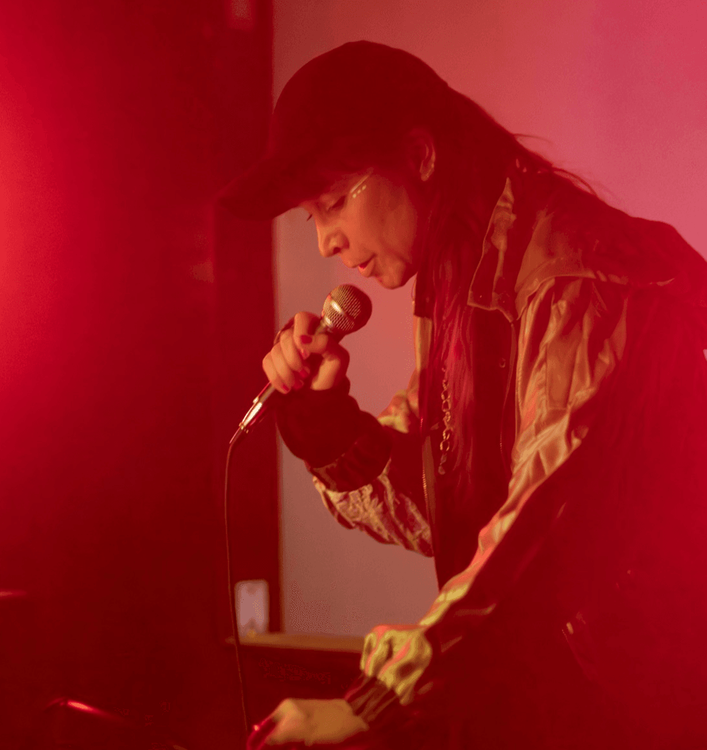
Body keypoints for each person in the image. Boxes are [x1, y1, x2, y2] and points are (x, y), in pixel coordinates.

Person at [220, 41, 707, 749]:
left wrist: (378, 702)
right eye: (310, 217)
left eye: (333, 202)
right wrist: (327, 425)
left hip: (648, 707)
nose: (325, 241)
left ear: (419, 156)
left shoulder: (573, 274)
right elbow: (452, 512)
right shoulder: (461, 280)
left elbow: (543, 528)